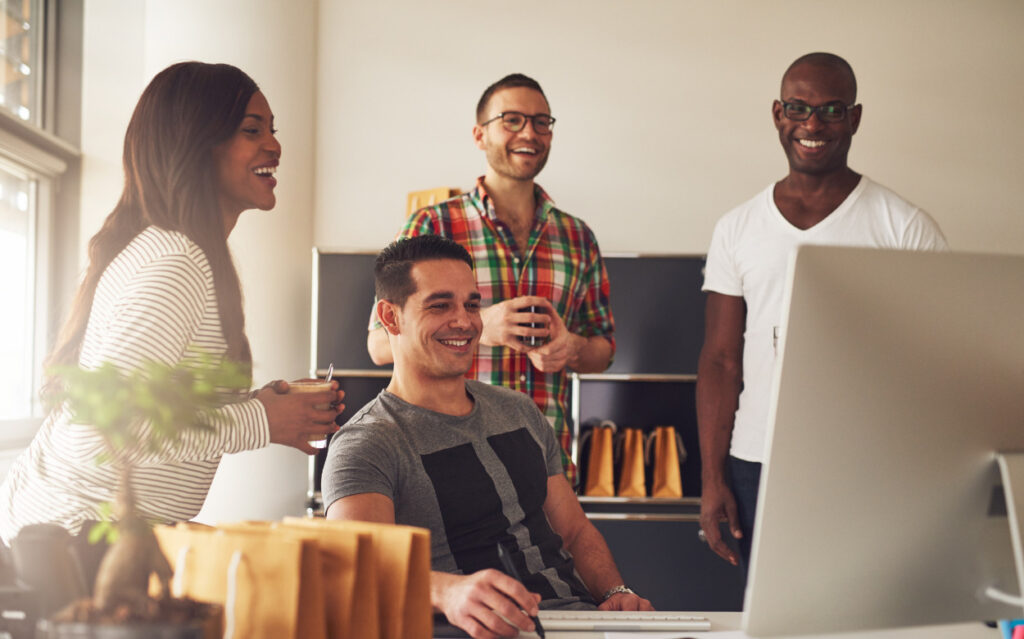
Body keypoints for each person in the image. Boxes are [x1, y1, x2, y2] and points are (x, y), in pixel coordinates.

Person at [0, 62, 343, 551]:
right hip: (74, 543)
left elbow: (150, 406)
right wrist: (260, 421)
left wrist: (262, 408)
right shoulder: (175, 262)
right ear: (195, 143)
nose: (275, 146)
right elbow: (105, 426)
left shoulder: (184, 253)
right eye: (252, 130)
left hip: (93, 538)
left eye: (272, 130)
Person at [697, 52, 950, 571]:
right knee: (770, 619)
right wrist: (711, 478)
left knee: (867, 615)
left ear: (854, 118)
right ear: (777, 114)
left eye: (832, 110)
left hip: (867, 463)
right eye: (799, 107)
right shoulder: (738, 227)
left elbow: (938, 364)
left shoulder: (903, 227)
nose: (813, 124)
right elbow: (721, 360)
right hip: (758, 462)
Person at [327, 236, 651, 639]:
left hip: (577, 624)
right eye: (440, 305)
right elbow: (356, 565)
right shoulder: (367, 443)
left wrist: (616, 593)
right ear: (390, 318)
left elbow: (574, 531)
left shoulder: (518, 410)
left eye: (472, 304)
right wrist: (449, 592)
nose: (464, 321)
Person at [366, 74, 614, 484]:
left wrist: (571, 347)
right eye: (512, 120)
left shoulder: (578, 236)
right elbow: (378, 345)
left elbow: (603, 350)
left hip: (546, 468)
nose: (529, 133)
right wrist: (482, 326)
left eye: (541, 122)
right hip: (448, 462)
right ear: (480, 135)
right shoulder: (431, 224)